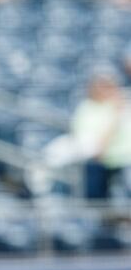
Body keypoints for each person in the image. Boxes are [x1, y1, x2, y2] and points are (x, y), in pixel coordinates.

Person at [42, 70, 131, 198]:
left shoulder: (120, 106)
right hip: (99, 160)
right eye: (102, 86)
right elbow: (85, 137)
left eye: (108, 86)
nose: (105, 90)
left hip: (124, 158)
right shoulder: (86, 108)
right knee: (98, 197)